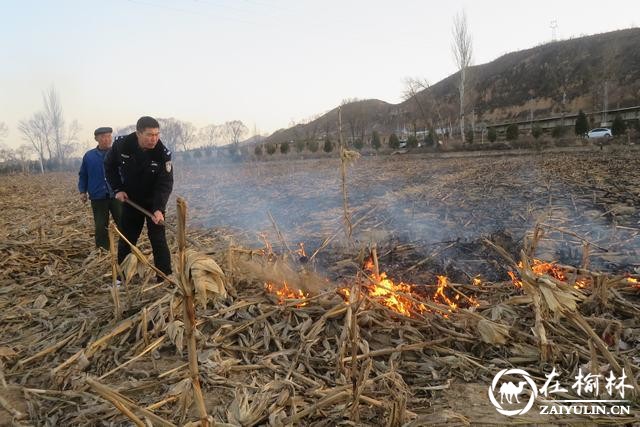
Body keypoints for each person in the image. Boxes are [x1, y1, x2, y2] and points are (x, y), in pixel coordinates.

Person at [104, 116, 173, 282]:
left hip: (153, 202)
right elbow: (109, 166)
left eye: (157, 134)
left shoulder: (163, 154)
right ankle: (122, 277)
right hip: (131, 200)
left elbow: (165, 183)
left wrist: (158, 208)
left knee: (158, 239)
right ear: (138, 133)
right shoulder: (121, 145)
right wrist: (118, 189)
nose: (154, 139)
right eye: (149, 135)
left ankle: (165, 277)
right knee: (127, 238)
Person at [78, 126, 122, 250]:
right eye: (103, 137)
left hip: (117, 195)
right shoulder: (89, 156)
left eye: (109, 136)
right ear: (96, 139)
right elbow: (83, 174)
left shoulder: (118, 153)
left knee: (124, 223)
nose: (106, 139)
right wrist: (82, 191)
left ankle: (128, 247)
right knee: (100, 225)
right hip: (98, 196)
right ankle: (103, 250)